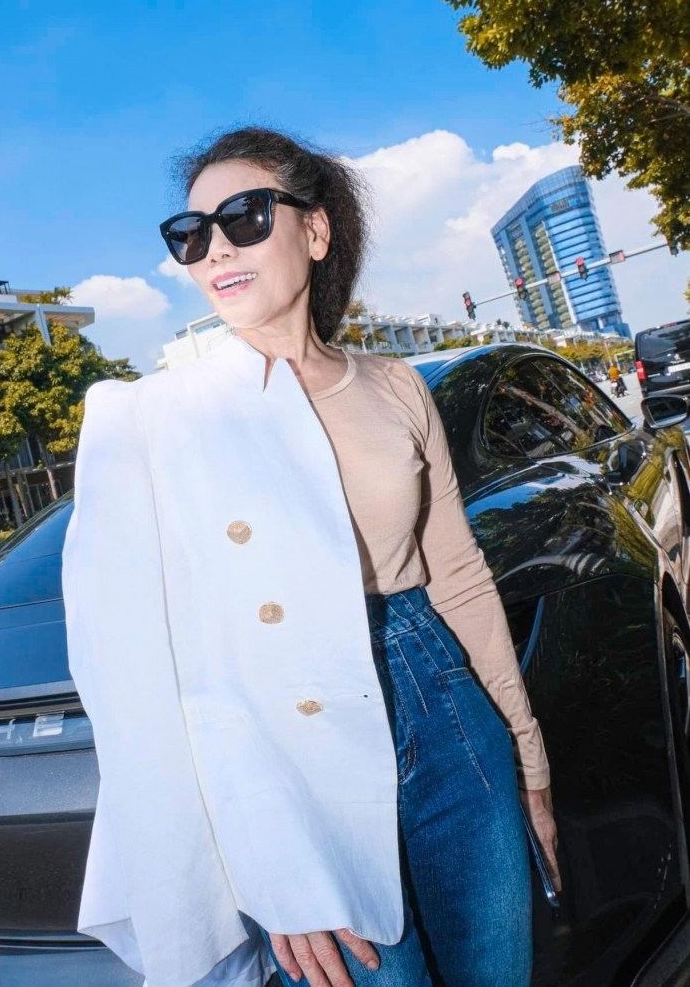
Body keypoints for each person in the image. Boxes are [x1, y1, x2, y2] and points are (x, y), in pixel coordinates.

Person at [158, 127, 559, 987]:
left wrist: (528, 757)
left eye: (243, 216)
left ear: (315, 230)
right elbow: (180, 664)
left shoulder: (395, 386)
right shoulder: (170, 420)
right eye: (190, 234)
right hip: (295, 754)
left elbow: (458, 577)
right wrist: (264, 860)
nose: (214, 247)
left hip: (440, 698)